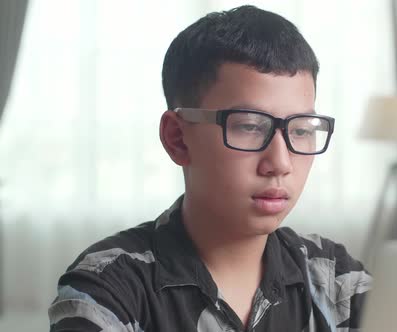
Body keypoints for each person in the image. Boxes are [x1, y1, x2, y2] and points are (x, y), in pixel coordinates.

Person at [48, 5, 371, 331]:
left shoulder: (333, 279)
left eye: (301, 129)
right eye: (250, 126)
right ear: (178, 138)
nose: (281, 163)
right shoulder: (110, 288)